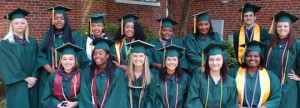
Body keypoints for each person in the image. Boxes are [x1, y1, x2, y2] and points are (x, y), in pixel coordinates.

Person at [38, 5, 89, 107]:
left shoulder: (75, 36)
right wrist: (51, 71)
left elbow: (80, 56)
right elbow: (40, 55)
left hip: (72, 78)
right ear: (52, 20)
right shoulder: (48, 36)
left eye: (62, 18)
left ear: (66, 20)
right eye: (56, 18)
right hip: (50, 76)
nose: (59, 21)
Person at [0, 8, 39, 108]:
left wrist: (34, 77)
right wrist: (26, 79)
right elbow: (9, 64)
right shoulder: (6, 43)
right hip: (17, 83)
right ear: (12, 26)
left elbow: (37, 60)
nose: (20, 25)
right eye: (16, 23)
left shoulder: (32, 42)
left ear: (26, 25)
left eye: (22, 23)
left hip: (33, 83)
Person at [230, 41, 281, 108]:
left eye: (256, 56)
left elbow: (276, 96)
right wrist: (238, 106)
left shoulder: (270, 76)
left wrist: (265, 106)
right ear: (244, 58)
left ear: (260, 58)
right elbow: (227, 94)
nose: (252, 58)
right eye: (249, 56)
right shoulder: (233, 73)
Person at [265, 11, 300, 108]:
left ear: (290, 28)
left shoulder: (296, 44)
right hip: (270, 83)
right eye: (279, 26)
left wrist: (299, 77)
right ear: (276, 28)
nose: (282, 29)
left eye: (285, 26)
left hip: (288, 85)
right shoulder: (269, 44)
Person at [79, 38, 127, 108]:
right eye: (95, 54)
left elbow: (118, 97)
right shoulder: (86, 73)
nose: (97, 56)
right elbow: (84, 95)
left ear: (107, 55)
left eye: (101, 53)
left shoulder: (118, 73)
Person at [186, 43, 238, 108]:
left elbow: (232, 104)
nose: (215, 63)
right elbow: (193, 100)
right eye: (211, 60)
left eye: (218, 59)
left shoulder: (231, 82)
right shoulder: (198, 79)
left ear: (223, 61)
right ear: (207, 62)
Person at [41, 43, 83, 108]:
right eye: (64, 59)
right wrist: (57, 104)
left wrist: (75, 103)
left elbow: (86, 94)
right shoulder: (53, 76)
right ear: (60, 61)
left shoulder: (82, 76)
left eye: (71, 59)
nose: (67, 62)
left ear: (75, 60)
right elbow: (46, 97)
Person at [185, 11, 225, 75]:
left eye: (206, 24)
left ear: (210, 24)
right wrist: (207, 64)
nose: (204, 27)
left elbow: (222, 51)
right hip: (198, 66)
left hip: (215, 64)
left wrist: (219, 63)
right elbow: (191, 54)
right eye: (200, 25)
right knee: (201, 72)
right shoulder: (190, 38)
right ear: (196, 25)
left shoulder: (215, 36)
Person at [125, 40, 156, 108]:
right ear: (131, 58)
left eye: (141, 56)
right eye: (135, 56)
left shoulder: (150, 78)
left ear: (145, 58)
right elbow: (123, 98)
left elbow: (151, 99)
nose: (138, 58)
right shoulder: (126, 76)